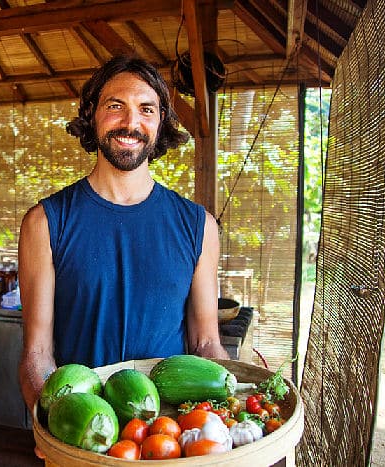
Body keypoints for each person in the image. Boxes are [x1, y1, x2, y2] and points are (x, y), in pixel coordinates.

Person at [17, 54, 229, 415]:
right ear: (92, 113)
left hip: (167, 435)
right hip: (85, 430)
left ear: (161, 122)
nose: (131, 122)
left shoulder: (199, 226)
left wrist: (233, 399)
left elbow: (206, 342)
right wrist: (55, 424)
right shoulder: (45, 223)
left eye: (147, 109)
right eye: (116, 106)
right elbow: (38, 353)